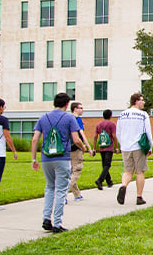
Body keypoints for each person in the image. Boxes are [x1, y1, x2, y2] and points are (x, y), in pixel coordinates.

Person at [31, 93, 85, 233]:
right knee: (61, 190)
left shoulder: (43, 117)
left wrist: (33, 158)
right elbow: (76, 139)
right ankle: (57, 223)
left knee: (49, 187)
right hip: (62, 158)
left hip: (46, 157)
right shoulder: (69, 118)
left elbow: (35, 139)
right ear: (67, 104)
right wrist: (84, 147)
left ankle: (46, 219)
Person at [115, 93, 152, 205]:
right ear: (136, 101)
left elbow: (118, 132)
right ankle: (139, 197)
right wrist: (150, 146)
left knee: (128, 171)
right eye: (142, 100)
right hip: (138, 146)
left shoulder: (122, 114)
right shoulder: (143, 115)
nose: (144, 102)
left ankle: (123, 186)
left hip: (126, 147)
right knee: (140, 172)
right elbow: (147, 131)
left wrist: (122, 144)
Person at [68, 102, 95, 201]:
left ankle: (77, 194)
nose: (82, 110)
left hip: (67, 149)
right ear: (75, 109)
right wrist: (88, 148)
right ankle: (62, 193)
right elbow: (82, 134)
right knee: (77, 170)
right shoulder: (77, 120)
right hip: (77, 148)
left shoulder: (68, 119)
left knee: (71, 172)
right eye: (81, 108)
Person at [94, 109, 119, 190]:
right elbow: (114, 136)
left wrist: (94, 147)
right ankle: (100, 180)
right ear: (110, 116)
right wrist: (117, 147)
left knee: (104, 164)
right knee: (107, 164)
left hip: (101, 146)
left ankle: (109, 182)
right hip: (109, 147)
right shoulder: (111, 124)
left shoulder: (98, 124)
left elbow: (95, 136)